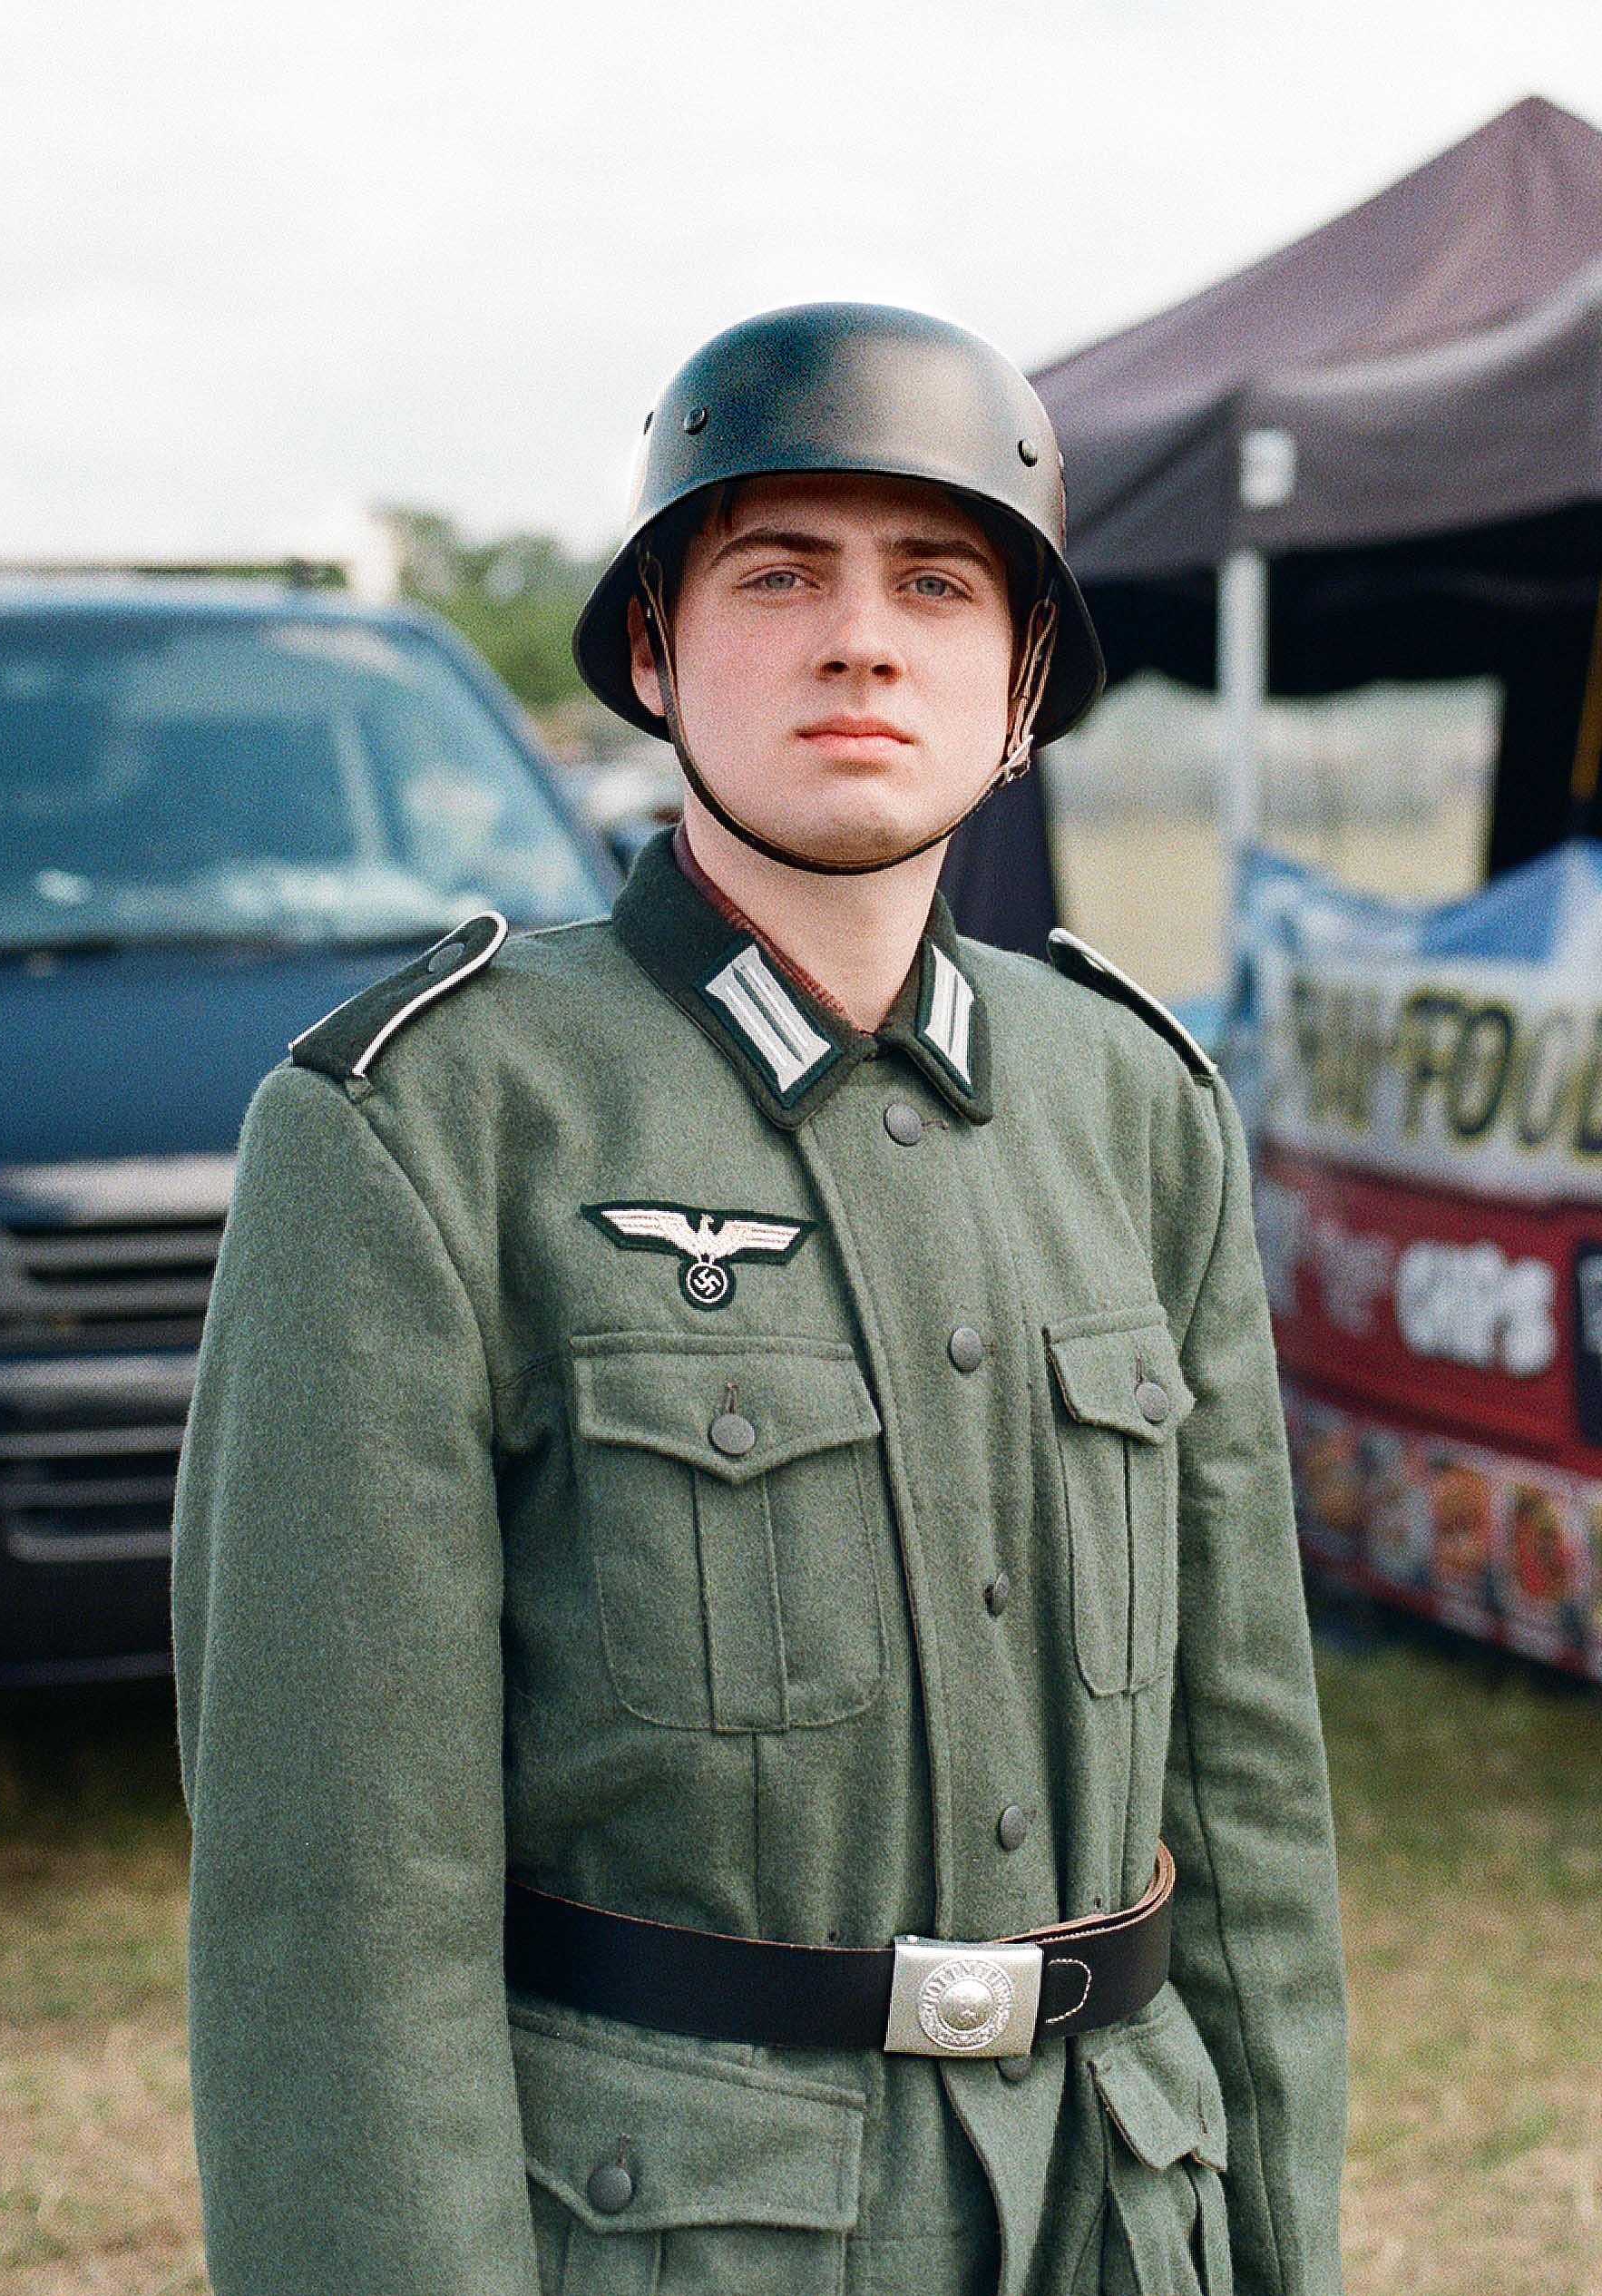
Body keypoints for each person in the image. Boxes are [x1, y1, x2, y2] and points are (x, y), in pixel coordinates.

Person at [171, 301, 1348, 2296]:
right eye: (779, 573)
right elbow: (341, 1902)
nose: (862, 639)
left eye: (939, 582)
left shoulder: (1136, 1105)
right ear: (653, 647)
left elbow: (1246, 1801)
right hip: (687, 2237)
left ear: (1021, 682)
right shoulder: (433, 1120)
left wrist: (1276, 2245)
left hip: (1119, 2214)